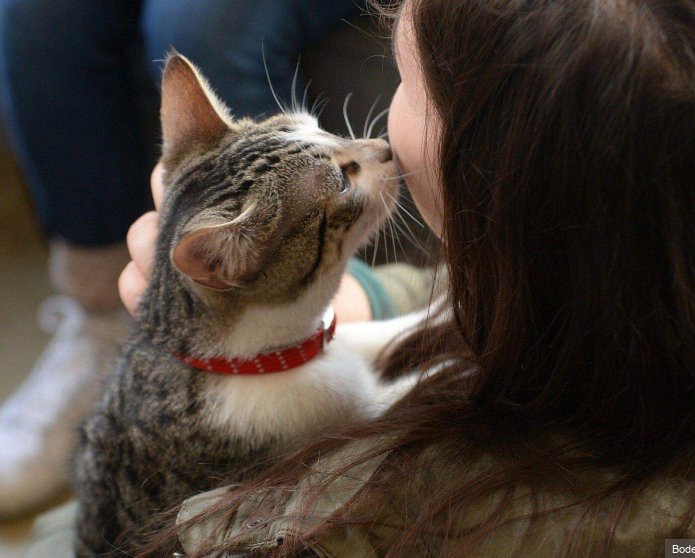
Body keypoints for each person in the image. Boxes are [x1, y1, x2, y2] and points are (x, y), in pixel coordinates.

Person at [119, 0, 695, 555]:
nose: (375, 134)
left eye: (404, 81)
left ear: (502, 186)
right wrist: (362, 298)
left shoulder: (375, 513)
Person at [0, 0, 434, 519]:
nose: (375, 147)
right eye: (343, 173)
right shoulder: (279, 415)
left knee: (206, 22)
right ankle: (97, 318)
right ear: (230, 264)